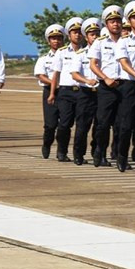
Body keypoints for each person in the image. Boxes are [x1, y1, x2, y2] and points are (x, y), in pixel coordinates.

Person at [89, 6, 126, 167]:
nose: (116, 24)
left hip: (124, 85)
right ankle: (100, 152)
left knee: (122, 124)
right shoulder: (100, 42)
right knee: (103, 123)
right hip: (106, 86)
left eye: (118, 21)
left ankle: (118, 154)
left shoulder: (128, 41)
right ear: (106, 24)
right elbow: (93, 64)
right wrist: (105, 78)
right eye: (112, 21)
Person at [114, 1, 135, 171]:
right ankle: (122, 157)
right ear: (129, 20)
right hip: (130, 85)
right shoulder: (123, 41)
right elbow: (123, 62)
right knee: (126, 124)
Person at [66, 18, 103, 166]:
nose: (95, 37)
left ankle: (97, 153)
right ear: (86, 37)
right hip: (86, 93)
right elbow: (74, 73)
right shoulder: (81, 54)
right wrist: (87, 80)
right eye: (91, 34)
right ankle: (78, 154)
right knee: (82, 126)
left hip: (101, 93)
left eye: (97, 33)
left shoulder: (106, 52)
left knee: (100, 126)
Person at [53, 17, 85, 162]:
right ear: (69, 35)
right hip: (65, 92)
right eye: (74, 32)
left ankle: (78, 154)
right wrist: (53, 92)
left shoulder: (88, 51)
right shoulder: (61, 52)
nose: (77, 35)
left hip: (83, 91)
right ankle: (61, 151)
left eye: (79, 32)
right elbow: (56, 74)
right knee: (65, 124)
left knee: (82, 125)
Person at [34, 24, 64, 159]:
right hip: (49, 92)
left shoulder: (68, 56)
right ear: (48, 41)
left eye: (59, 38)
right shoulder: (44, 59)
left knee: (64, 124)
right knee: (50, 125)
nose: (56, 41)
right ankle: (47, 143)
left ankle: (61, 151)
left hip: (65, 92)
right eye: (53, 38)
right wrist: (54, 83)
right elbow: (41, 75)